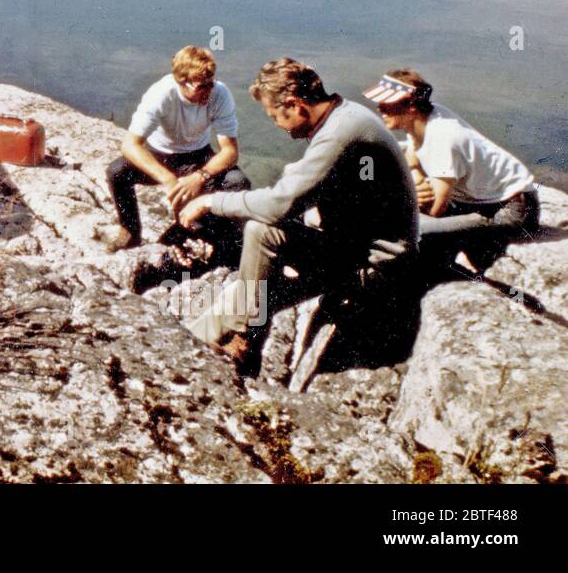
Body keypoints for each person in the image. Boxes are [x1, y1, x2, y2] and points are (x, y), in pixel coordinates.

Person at [177, 58, 418, 369]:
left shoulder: (340, 132)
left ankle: (234, 341)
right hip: (353, 248)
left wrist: (212, 202)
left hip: (375, 265)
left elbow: (280, 203)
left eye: (275, 115)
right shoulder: (344, 117)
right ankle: (197, 345)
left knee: (259, 252)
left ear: (294, 104)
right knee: (255, 283)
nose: (277, 124)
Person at [367, 69, 539, 271]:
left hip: (509, 210)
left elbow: (438, 208)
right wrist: (418, 186)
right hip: (476, 201)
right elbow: (413, 161)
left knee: (416, 229)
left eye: (387, 105)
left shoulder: (443, 137)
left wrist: (416, 205)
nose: (379, 108)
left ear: (411, 107)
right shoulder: (424, 118)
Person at [106, 46, 250, 253]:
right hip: (161, 154)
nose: (208, 91)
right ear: (181, 81)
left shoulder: (220, 94)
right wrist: (168, 180)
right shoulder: (161, 94)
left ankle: (228, 241)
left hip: (198, 156)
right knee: (117, 172)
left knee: (237, 181)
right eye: (201, 86)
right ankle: (130, 232)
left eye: (211, 83)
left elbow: (230, 152)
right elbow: (130, 144)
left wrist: (199, 177)